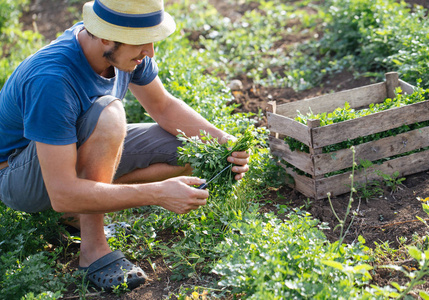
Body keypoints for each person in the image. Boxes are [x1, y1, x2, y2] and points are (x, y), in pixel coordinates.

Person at [0, 0, 250, 291]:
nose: (150, 52)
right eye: (141, 43)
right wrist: (157, 193)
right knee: (109, 114)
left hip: (73, 152)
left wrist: (223, 142)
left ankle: (79, 214)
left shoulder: (122, 53)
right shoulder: (51, 79)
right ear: (106, 36)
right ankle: (93, 250)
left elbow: (164, 108)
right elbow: (62, 193)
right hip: (19, 176)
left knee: (191, 150)